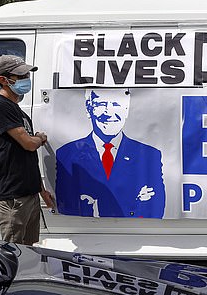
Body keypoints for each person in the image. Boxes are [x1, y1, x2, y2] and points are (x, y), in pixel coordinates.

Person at [56, 89, 165, 218]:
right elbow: (65, 205)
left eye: (116, 104)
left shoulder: (149, 155)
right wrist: (133, 199)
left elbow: (154, 208)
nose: (109, 113)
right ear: (88, 109)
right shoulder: (66, 154)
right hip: (86, 232)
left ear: (126, 109)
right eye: (101, 104)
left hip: (135, 233)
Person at [0, 55, 54, 245]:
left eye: (26, 75)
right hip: (13, 196)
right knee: (14, 253)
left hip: (28, 193)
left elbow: (28, 157)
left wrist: (41, 190)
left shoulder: (16, 110)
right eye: (20, 76)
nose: (25, 80)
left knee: (29, 252)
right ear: (3, 80)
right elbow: (29, 144)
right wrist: (39, 138)